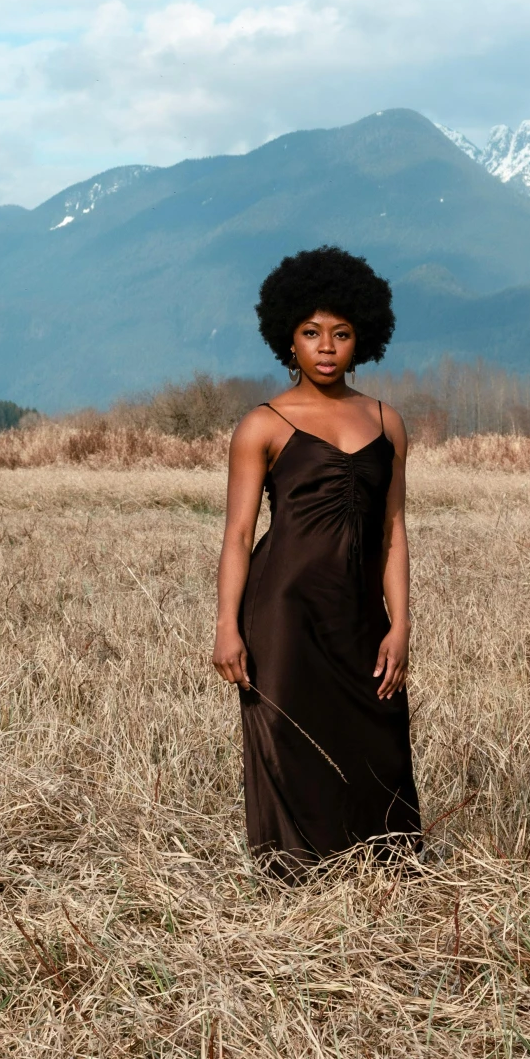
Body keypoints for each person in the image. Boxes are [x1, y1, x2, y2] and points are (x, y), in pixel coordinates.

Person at [212, 246, 421, 872]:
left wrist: (401, 624)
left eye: (341, 333)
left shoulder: (388, 422)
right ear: (289, 339)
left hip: (359, 612)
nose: (326, 346)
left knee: (378, 739)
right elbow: (238, 532)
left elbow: (394, 529)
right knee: (291, 743)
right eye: (311, 333)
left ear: (364, 338)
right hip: (283, 612)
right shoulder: (262, 425)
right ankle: (299, 882)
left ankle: (387, 876)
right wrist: (227, 626)